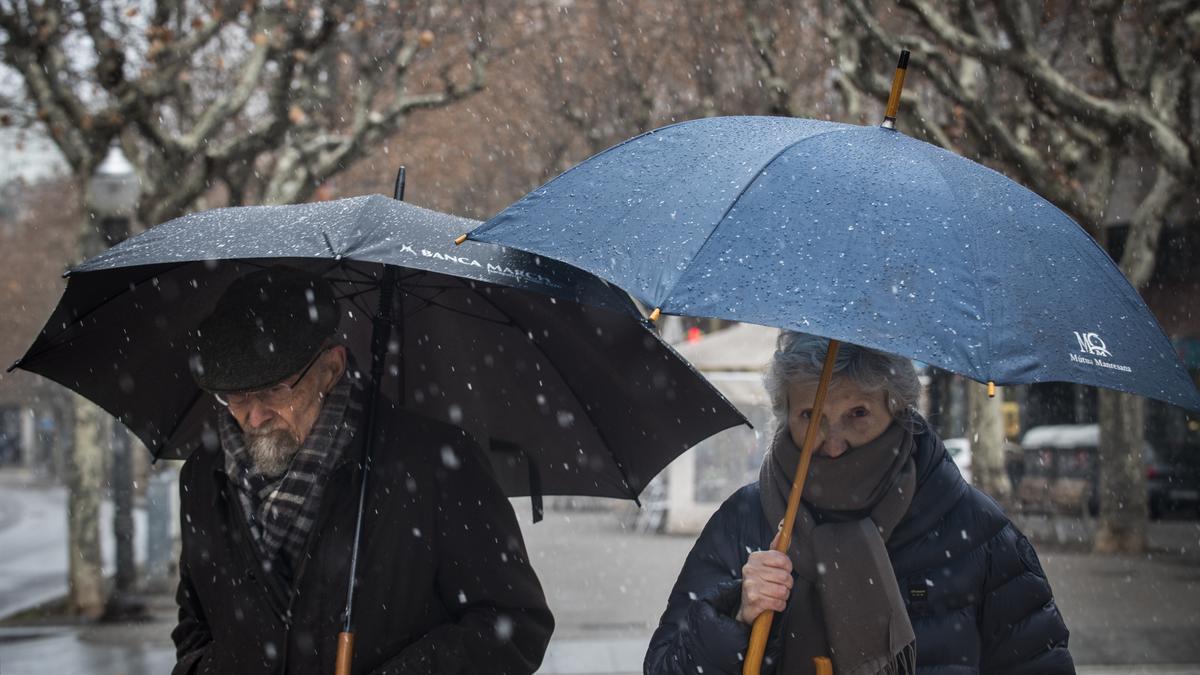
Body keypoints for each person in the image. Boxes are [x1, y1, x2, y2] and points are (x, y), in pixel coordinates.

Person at [171, 266, 553, 674]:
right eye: (235, 395)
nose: (254, 415)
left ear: (331, 368)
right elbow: (194, 629)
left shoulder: (435, 463)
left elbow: (513, 625)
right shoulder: (202, 476)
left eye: (274, 389)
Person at [645, 331, 1073, 675]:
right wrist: (735, 616)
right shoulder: (742, 522)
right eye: (812, 416)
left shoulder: (978, 533)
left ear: (898, 409)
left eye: (858, 413)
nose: (833, 443)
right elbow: (666, 667)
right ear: (784, 416)